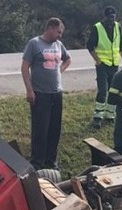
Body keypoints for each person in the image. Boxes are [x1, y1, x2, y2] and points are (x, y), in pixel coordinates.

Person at [22, 18, 72, 170]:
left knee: (54, 128)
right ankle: (37, 161)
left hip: (56, 93)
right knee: (40, 129)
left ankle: (51, 160)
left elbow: (68, 59)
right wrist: (29, 90)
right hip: (40, 94)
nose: (60, 35)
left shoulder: (58, 45)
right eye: (58, 32)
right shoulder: (34, 43)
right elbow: (25, 68)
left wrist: (59, 70)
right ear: (50, 28)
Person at [87, 6, 122, 129]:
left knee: (113, 91)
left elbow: (120, 46)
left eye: (113, 17)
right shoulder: (97, 28)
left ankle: (110, 115)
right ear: (105, 17)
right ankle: (98, 116)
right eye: (109, 17)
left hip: (114, 64)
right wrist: (97, 60)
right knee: (102, 90)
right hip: (102, 65)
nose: (111, 20)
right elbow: (90, 46)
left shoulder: (118, 26)